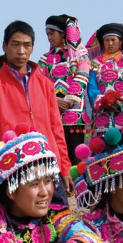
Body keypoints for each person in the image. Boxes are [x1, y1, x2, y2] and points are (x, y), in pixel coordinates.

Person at [0, 21, 73, 185]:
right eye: (15, 45)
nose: (21, 51)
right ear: (5, 46)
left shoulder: (46, 85)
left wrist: (65, 167)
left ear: (32, 48)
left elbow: (57, 129)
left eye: (27, 45)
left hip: (48, 163)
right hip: (12, 166)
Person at [39, 15, 91, 157]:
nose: (49, 37)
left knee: (76, 156)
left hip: (74, 112)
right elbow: (38, 82)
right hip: (52, 111)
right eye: (47, 34)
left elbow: (81, 77)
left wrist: (67, 101)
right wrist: (54, 101)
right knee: (55, 155)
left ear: (63, 33)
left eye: (52, 33)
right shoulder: (45, 58)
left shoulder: (79, 54)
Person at [85, 23, 123, 132]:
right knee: (101, 146)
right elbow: (92, 87)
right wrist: (103, 102)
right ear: (102, 43)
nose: (110, 43)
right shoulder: (94, 64)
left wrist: (117, 102)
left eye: (113, 40)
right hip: (101, 114)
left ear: (120, 42)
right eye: (106, 40)